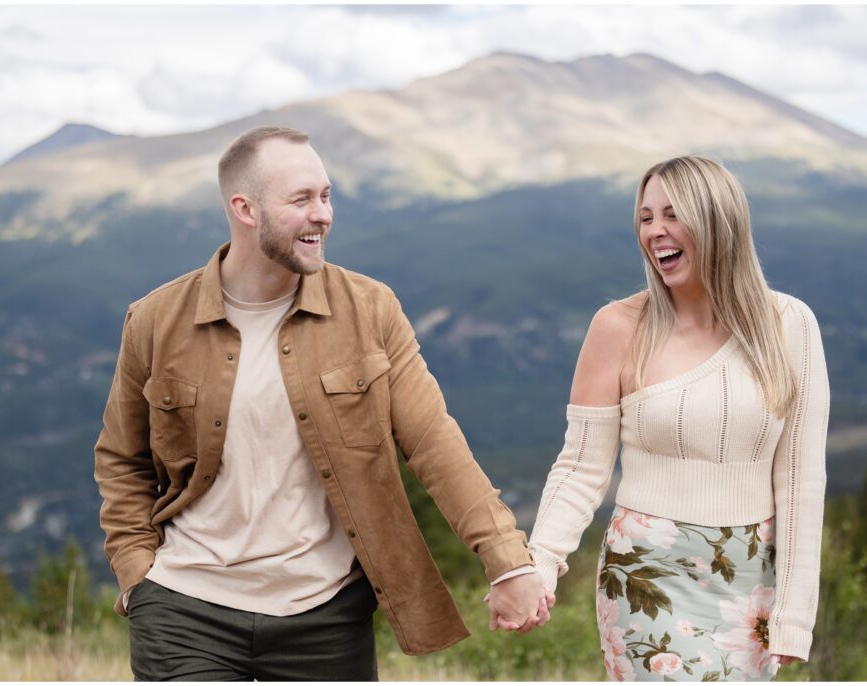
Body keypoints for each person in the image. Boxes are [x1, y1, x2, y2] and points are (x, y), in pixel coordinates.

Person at [94, 125, 550, 681]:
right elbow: (121, 460)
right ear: (245, 208)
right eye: (302, 199)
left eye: (326, 195)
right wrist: (138, 576)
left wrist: (507, 561)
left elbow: (435, 443)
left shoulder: (370, 310)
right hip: (184, 609)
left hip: (326, 617)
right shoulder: (155, 321)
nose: (323, 214)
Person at [526, 156, 829, 681]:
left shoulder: (791, 325)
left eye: (672, 214)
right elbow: (581, 466)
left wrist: (795, 613)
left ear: (719, 221)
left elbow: (802, 480)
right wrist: (541, 563)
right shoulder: (617, 327)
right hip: (645, 575)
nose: (655, 231)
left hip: (751, 582)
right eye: (645, 217)